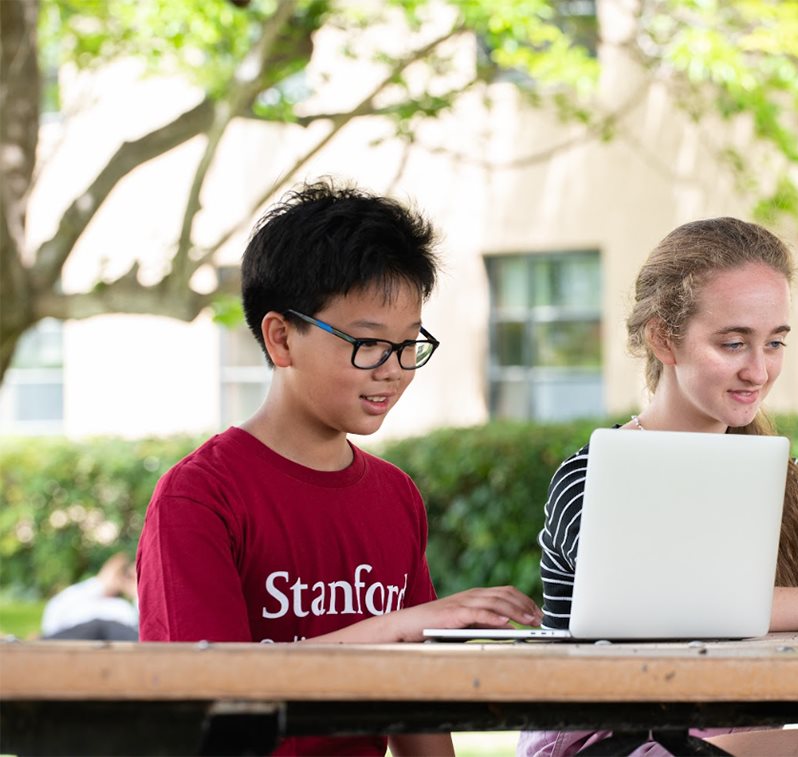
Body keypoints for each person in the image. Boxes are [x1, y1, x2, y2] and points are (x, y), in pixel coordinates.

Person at [520, 217, 798, 757]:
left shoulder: (781, 478)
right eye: (733, 343)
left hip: (721, 739)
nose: (758, 370)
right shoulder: (591, 479)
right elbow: (683, 602)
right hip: (612, 743)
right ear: (663, 338)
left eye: (774, 343)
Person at [136, 179, 541, 757]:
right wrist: (395, 628)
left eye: (409, 346)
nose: (394, 370)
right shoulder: (200, 495)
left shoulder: (394, 495)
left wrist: (412, 632)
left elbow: (416, 702)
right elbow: (210, 695)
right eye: (369, 344)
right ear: (281, 338)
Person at [41, 552, 139, 641]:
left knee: (101, 626)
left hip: (106, 652)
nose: (123, 577)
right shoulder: (79, 596)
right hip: (67, 645)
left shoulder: (122, 608)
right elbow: (52, 620)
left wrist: (137, 591)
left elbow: (138, 633)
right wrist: (101, 583)